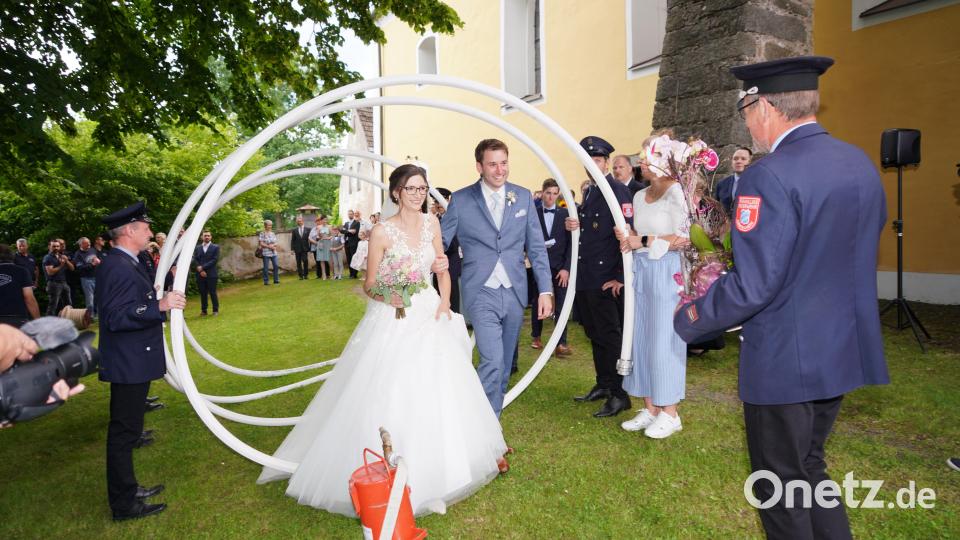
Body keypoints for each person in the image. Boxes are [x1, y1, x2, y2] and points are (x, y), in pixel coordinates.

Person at [673, 56, 889, 540]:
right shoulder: (857, 162)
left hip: (785, 360)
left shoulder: (769, 176)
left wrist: (690, 316)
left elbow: (756, 282)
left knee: (780, 486)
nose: (748, 122)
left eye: (747, 110)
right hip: (839, 349)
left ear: (767, 107)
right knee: (810, 467)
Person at [258, 164, 508, 516]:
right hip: (393, 315)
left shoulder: (432, 224)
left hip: (427, 308)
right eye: (411, 189)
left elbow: (441, 268)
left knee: (440, 387)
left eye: (422, 189)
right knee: (392, 387)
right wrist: (388, 295)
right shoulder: (381, 232)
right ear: (396, 193)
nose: (418, 195)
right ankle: (395, 470)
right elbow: (369, 282)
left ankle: (446, 470)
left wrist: (445, 302)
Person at [440, 138, 554, 418]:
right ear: (479, 166)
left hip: (515, 289)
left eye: (503, 162)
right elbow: (440, 239)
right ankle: (487, 431)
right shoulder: (462, 199)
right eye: (492, 164)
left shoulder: (524, 196)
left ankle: (489, 419)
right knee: (491, 361)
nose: (499, 170)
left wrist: (545, 291)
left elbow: (536, 248)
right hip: (481, 291)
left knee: (503, 364)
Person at [97, 201, 187, 521]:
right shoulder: (117, 266)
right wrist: (158, 305)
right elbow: (114, 317)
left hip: (133, 359)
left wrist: (156, 300)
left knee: (128, 431)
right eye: (145, 227)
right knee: (123, 434)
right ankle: (124, 505)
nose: (150, 231)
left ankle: (128, 489)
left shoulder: (128, 261)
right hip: (128, 362)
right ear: (130, 231)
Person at [615, 135, 690, 439]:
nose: (641, 162)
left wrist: (642, 241)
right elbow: (638, 233)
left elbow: (685, 239)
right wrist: (627, 236)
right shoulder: (638, 194)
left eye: (646, 157)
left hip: (667, 271)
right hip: (641, 270)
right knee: (641, 338)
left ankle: (670, 411)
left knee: (664, 340)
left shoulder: (677, 193)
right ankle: (650, 407)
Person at [567, 136, 634, 418]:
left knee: (610, 336)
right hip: (588, 276)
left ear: (606, 162)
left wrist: (620, 275)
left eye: (597, 161)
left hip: (606, 277)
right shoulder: (593, 191)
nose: (592, 166)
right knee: (594, 333)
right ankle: (604, 383)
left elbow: (629, 233)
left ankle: (620, 394)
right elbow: (597, 231)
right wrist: (577, 224)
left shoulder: (616, 190)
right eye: (588, 162)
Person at [530, 179, 572, 356]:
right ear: (542, 192)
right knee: (536, 301)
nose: (551, 197)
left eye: (555, 193)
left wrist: (566, 268)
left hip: (559, 267)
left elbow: (571, 243)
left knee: (562, 304)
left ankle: (561, 342)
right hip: (539, 265)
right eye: (548, 193)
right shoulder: (534, 213)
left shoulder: (565, 214)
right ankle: (536, 336)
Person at [431, 187, 462, 313]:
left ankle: (454, 316)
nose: (439, 205)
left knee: (452, 293)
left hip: (451, 261)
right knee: (438, 291)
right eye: (436, 202)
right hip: (437, 262)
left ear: (448, 200)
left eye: (441, 201)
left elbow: (455, 241)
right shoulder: (435, 219)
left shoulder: (455, 218)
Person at [0, 244, 40, 327]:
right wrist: (38, 321)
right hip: (17, 318)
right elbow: (29, 297)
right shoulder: (21, 271)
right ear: (11, 256)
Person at [714, 146, 753, 217]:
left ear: (749, 162)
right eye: (735, 159)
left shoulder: (757, 183)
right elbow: (715, 210)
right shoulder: (722, 184)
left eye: (743, 159)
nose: (738, 161)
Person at [192, 230, 220, 316]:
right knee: (203, 293)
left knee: (212, 292)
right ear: (202, 237)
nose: (207, 237)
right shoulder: (197, 248)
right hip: (200, 274)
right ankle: (204, 310)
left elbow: (214, 260)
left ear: (211, 237)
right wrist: (200, 270)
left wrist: (203, 267)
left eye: (208, 235)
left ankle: (215, 310)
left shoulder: (215, 247)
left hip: (211, 274)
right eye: (205, 236)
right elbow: (195, 259)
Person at [43, 239, 74, 316]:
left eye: (57, 246)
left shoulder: (61, 256)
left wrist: (66, 261)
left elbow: (72, 268)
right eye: (54, 246)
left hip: (64, 282)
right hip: (53, 283)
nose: (56, 248)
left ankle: (68, 321)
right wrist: (61, 265)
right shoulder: (47, 258)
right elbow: (50, 272)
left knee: (68, 304)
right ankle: (49, 324)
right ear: (49, 247)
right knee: (53, 306)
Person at [310, 215, 332, 280]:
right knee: (321, 259)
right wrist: (319, 236)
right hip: (321, 243)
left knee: (329, 259)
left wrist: (328, 238)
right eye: (324, 220)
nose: (325, 221)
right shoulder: (319, 227)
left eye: (326, 219)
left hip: (327, 243)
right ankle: (324, 274)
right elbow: (317, 236)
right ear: (321, 220)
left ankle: (333, 274)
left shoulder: (330, 226)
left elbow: (332, 236)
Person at [341, 210, 361, 278]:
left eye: (351, 214)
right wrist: (349, 231)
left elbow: (354, 232)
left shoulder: (357, 223)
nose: (350, 215)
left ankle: (354, 274)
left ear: (353, 215)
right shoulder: (346, 223)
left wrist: (346, 231)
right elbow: (342, 231)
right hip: (346, 243)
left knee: (354, 258)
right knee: (348, 258)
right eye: (349, 214)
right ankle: (351, 273)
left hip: (353, 243)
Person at [259, 220, 280, 285]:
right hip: (266, 253)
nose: (270, 226)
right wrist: (269, 246)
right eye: (269, 225)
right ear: (265, 226)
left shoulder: (272, 233)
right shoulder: (262, 233)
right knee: (266, 268)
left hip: (274, 252)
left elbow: (276, 243)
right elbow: (261, 243)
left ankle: (276, 280)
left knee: (276, 266)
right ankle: (266, 281)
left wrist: (273, 245)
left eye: (271, 225)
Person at [291, 215, 312, 280]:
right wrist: (292, 249)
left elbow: (310, 239)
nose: (299, 222)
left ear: (303, 221)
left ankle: (306, 275)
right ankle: (300, 276)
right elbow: (293, 240)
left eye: (300, 221)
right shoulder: (294, 230)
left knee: (305, 261)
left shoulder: (308, 229)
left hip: (305, 248)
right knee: (298, 262)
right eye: (298, 221)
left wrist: (311, 248)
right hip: (297, 249)